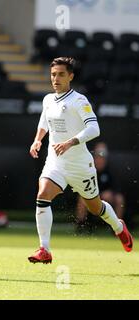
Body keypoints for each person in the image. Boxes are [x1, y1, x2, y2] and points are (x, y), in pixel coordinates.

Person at [28, 57, 133, 264]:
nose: (55, 78)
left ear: (71, 76)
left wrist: (70, 142)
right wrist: (37, 140)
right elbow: (44, 121)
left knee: (95, 207)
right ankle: (44, 249)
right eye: (53, 74)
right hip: (56, 162)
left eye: (60, 74)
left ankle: (119, 228)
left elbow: (95, 129)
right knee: (43, 194)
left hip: (80, 165)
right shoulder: (48, 99)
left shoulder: (79, 101)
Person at [75, 141, 126, 233]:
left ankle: (117, 228)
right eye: (97, 156)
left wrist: (111, 193)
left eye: (102, 156)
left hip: (106, 198)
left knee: (119, 199)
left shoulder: (110, 170)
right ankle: (81, 226)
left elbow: (116, 189)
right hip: (91, 196)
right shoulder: (89, 168)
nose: (99, 159)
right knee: (81, 199)